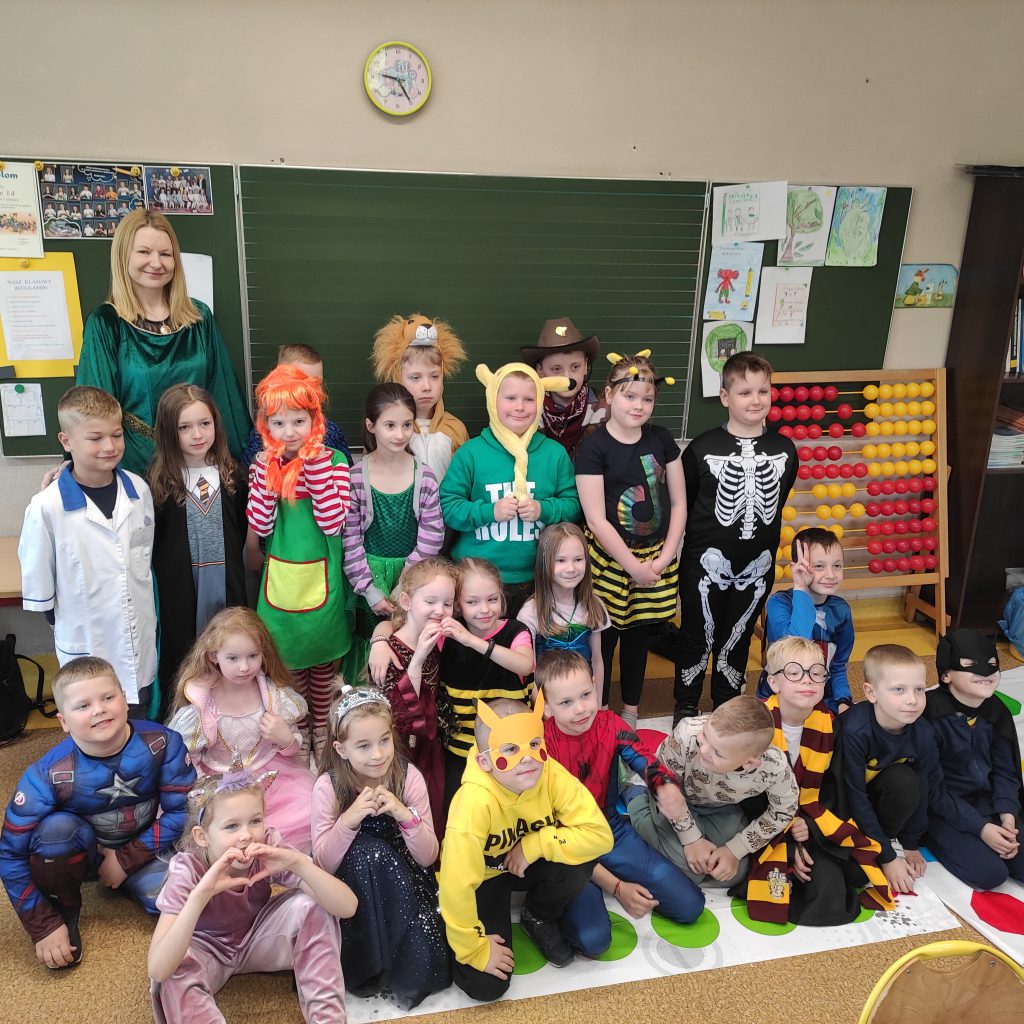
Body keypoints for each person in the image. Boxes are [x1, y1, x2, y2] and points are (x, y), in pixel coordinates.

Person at [0, 657, 195, 970]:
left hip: (145, 846)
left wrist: (126, 860)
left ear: (125, 699)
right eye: (83, 705)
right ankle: (65, 910)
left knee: (193, 907)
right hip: (78, 853)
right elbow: (10, 854)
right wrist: (43, 924)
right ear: (63, 721)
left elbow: (183, 810)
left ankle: (129, 880)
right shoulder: (45, 775)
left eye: (108, 697)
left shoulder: (163, 743)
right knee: (55, 831)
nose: (99, 710)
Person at [439, 692, 612, 1001]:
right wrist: (474, 948)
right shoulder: (472, 804)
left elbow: (600, 836)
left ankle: (538, 914)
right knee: (486, 986)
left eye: (534, 744)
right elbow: (455, 885)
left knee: (580, 858)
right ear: (484, 761)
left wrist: (536, 844)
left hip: (527, 864)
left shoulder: (549, 773)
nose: (528, 758)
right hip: (484, 878)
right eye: (510, 749)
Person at [148, 769, 355, 1023]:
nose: (246, 835)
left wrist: (298, 864)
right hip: (205, 951)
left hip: (257, 938)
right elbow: (158, 969)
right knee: (174, 966)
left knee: (314, 904)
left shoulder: (267, 847)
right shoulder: (187, 869)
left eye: (255, 821)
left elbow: (347, 907)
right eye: (232, 826)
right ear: (202, 837)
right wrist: (200, 895)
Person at [539, 650, 704, 955]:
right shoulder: (540, 745)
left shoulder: (611, 723)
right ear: (546, 707)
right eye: (566, 702)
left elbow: (644, 759)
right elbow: (548, 832)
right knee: (594, 941)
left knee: (690, 905)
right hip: (564, 843)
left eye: (586, 695)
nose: (580, 709)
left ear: (595, 684)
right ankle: (549, 907)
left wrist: (665, 787)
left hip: (610, 828)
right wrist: (616, 887)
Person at [75, 208, 251, 475]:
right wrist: (78, 467)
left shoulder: (198, 317)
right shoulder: (106, 323)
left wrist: (248, 458)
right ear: (123, 256)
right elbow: (93, 407)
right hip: (139, 465)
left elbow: (223, 392)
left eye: (166, 254)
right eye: (144, 252)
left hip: (199, 461)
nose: (156, 263)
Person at [673, 352, 798, 722]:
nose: (755, 400)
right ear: (725, 397)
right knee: (696, 633)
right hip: (704, 563)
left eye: (763, 391)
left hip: (757, 563)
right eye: (745, 392)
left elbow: (777, 501)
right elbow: (687, 503)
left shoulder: (784, 450)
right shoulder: (701, 449)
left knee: (737, 634)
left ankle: (727, 706)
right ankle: (686, 704)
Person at [19, 386, 158, 715]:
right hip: (85, 642)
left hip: (136, 640)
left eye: (116, 435)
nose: (109, 446)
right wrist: (66, 625)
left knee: (136, 717)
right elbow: (41, 587)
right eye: (95, 438)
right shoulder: (46, 507)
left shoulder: (138, 490)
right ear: (66, 441)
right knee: (94, 724)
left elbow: (142, 559)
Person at [311, 686, 450, 1008]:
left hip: (407, 882)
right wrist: (347, 821)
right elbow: (322, 865)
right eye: (364, 746)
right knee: (370, 853)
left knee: (424, 961)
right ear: (341, 749)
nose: (378, 754)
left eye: (384, 740)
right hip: (353, 887)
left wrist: (406, 817)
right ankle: (368, 962)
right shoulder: (327, 787)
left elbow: (429, 856)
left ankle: (401, 955)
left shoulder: (408, 777)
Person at [748, 637, 894, 925]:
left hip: (814, 821)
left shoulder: (830, 726)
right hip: (764, 821)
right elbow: (747, 794)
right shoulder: (757, 725)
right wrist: (790, 838)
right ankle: (789, 861)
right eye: (794, 672)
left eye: (816, 673)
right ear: (773, 682)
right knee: (823, 890)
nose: (807, 680)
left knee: (851, 878)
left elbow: (835, 789)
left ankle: (802, 860)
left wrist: (809, 828)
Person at [575, 350, 684, 727]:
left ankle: (631, 712)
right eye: (630, 396)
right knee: (603, 639)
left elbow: (679, 502)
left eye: (647, 399)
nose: (639, 405)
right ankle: (602, 711)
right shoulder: (594, 447)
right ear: (608, 394)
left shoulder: (662, 439)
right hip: (610, 562)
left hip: (655, 560)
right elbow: (595, 519)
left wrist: (664, 558)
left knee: (640, 636)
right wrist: (632, 567)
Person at [247, 364, 352, 750]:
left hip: (323, 580)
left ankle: (322, 731)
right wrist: (268, 476)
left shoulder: (335, 462)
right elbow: (260, 524)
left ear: (315, 421)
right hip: (281, 584)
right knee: (289, 666)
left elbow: (332, 523)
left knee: (323, 665)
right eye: (278, 423)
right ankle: (299, 732)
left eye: (299, 421)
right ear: (266, 427)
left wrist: (314, 465)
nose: (289, 432)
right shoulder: (264, 466)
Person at [167, 607, 316, 852]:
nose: (245, 667)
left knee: (307, 807)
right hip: (220, 783)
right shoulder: (202, 705)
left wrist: (286, 739)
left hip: (274, 778)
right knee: (221, 826)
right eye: (233, 658)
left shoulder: (273, 696)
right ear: (213, 656)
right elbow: (187, 757)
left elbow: (292, 749)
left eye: (253, 656)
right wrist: (207, 786)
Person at [440, 361, 582, 617]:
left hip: (536, 579)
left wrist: (543, 509)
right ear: (493, 400)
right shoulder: (470, 453)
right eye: (511, 398)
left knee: (527, 641)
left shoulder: (554, 454)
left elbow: (573, 505)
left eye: (529, 399)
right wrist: (490, 512)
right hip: (475, 581)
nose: (519, 406)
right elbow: (449, 508)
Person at [823, 644, 956, 895]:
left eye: (919, 689)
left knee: (906, 781)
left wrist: (910, 843)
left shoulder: (922, 732)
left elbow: (923, 786)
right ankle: (878, 843)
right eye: (899, 690)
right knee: (855, 875)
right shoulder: (854, 730)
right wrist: (886, 856)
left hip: (878, 798)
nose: (912, 700)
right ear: (871, 693)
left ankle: (884, 837)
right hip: (841, 801)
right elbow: (852, 795)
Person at [628, 695, 798, 888]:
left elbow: (784, 810)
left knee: (736, 872)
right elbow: (661, 781)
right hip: (671, 798)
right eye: (705, 736)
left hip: (719, 808)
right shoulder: (687, 732)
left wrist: (734, 850)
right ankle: (634, 799)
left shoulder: (774, 768)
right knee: (688, 870)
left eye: (718, 752)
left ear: (749, 763)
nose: (704, 750)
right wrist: (691, 839)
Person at [149, 384, 248, 716]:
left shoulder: (233, 475)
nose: (197, 434)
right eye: (184, 427)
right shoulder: (159, 482)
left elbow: (242, 526)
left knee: (229, 645)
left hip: (226, 582)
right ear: (169, 431)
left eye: (205, 423)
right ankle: (184, 718)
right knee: (183, 651)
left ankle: (230, 716)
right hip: (181, 588)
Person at [342, 383, 444, 676]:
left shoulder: (424, 477)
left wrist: (405, 585)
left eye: (406, 425)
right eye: (390, 425)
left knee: (406, 639)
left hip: (411, 577)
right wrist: (370, 591)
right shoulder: (356, 477)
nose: (400, 434)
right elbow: (350, 540)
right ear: (370, 425)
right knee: (368, 642)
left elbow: (431, 536)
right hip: (367, 579)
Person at [924, 630, 1024, 889]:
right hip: (943, 810)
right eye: (970, 664)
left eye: (992, 664)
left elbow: (1006, 770)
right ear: (946, 674)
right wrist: (981, 828)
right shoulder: (930, 716)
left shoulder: (997, 711)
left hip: (987, 801)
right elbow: (931, 789)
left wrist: (1008, 817)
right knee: (991, 874)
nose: (985, 672)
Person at [436, 557, 534, 809]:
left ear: (501, 596)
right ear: (457, 605)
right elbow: (399, 623)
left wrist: (472, 641)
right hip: (462, 752)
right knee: (458, 813)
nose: (484, 610)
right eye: (472, 602)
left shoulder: (516, 631)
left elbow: (525, 665)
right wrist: (381, 638)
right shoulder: (447, 634)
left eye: (492, 599)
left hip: (514, 751)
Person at [378, 557, 458, 830]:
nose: (440, 610)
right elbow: (398, 714)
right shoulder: (389, 651)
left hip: (431, 745)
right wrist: (418, 657)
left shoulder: (439, 636)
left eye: (448, 603)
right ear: (406, 601)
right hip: (401, 750)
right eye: (430, 601)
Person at [755, 527, 854, 713]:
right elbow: (794, 646)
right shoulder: (779, 603)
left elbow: (838, 666)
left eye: (837, 566)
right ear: (797, 568)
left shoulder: (841, 610)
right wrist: (800, 587)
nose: (831, 574)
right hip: (780, 696)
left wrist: (843, 701)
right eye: (819, 566)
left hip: (821, 693)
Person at [372, 312, 468, 481]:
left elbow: (466, 481)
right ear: (398, 378)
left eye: (435, 376)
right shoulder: (387, 429)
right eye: (415, 378)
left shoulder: (455, 429)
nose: (427, 386)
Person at [518, 522, 610, 690]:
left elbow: (597, 661)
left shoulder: (594, 607)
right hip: (549, 699)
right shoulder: (531, 612)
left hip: (582, 697)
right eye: (560, 560)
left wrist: (597, 702)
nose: (571, 568)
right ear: (544, 563)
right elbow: (531, 671)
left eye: (578, 559)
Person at [242, 343, 351, 468]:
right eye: (301, 382)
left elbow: (348, 472)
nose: (311, 389)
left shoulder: (332, 432)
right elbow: (249, 473)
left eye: (317, 383)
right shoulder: (262, 436)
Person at [521, 317, 606, 457]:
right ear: (540, 371)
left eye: (575, 367)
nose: (567, 377)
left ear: (585, 366)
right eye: (556, 369)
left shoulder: (605, 408)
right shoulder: (527, 410)